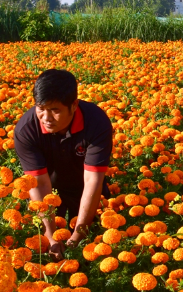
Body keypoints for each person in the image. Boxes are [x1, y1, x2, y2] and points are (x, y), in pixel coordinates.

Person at [14, 69, 113, 260]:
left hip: (83, 186)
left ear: (74, 105)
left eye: (55, 110)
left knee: (90, 244)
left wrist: (77, 236)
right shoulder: (27, 129)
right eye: (41, 108)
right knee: (45, 241)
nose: (46, 118)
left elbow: (93, 180)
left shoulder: (96, 123)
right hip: (48, 188)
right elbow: (39, 184)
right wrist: (51, 238)